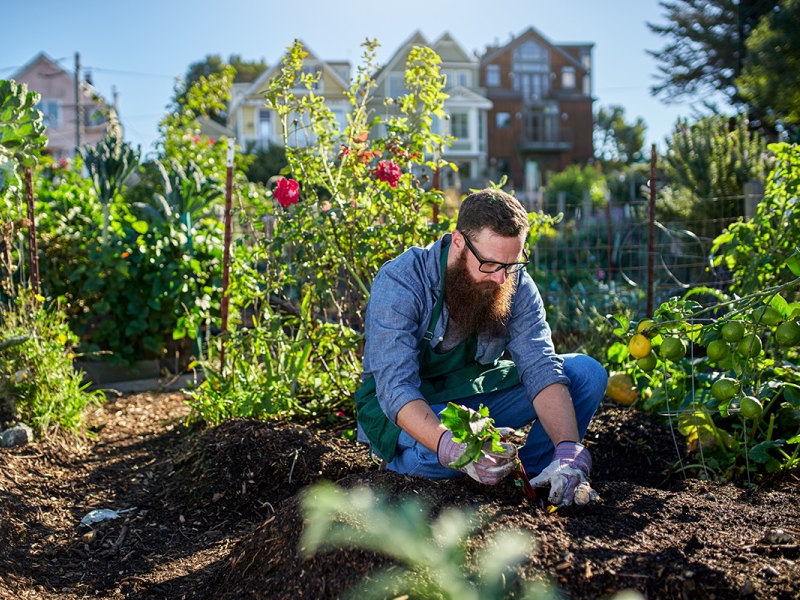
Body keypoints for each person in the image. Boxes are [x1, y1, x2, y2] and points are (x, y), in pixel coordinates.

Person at [355, 189, 607, 506]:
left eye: (512, 264)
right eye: (489, 264)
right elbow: (395, 388)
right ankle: (401, 468)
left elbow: (540, 366)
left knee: (586, 374)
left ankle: (535, 480)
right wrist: (450, 446)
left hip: (471, 394)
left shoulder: (513, 281)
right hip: (407, 407)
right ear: (459, 242)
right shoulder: (403, 281)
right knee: (441, 455)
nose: (502, 278)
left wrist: (568, 448)